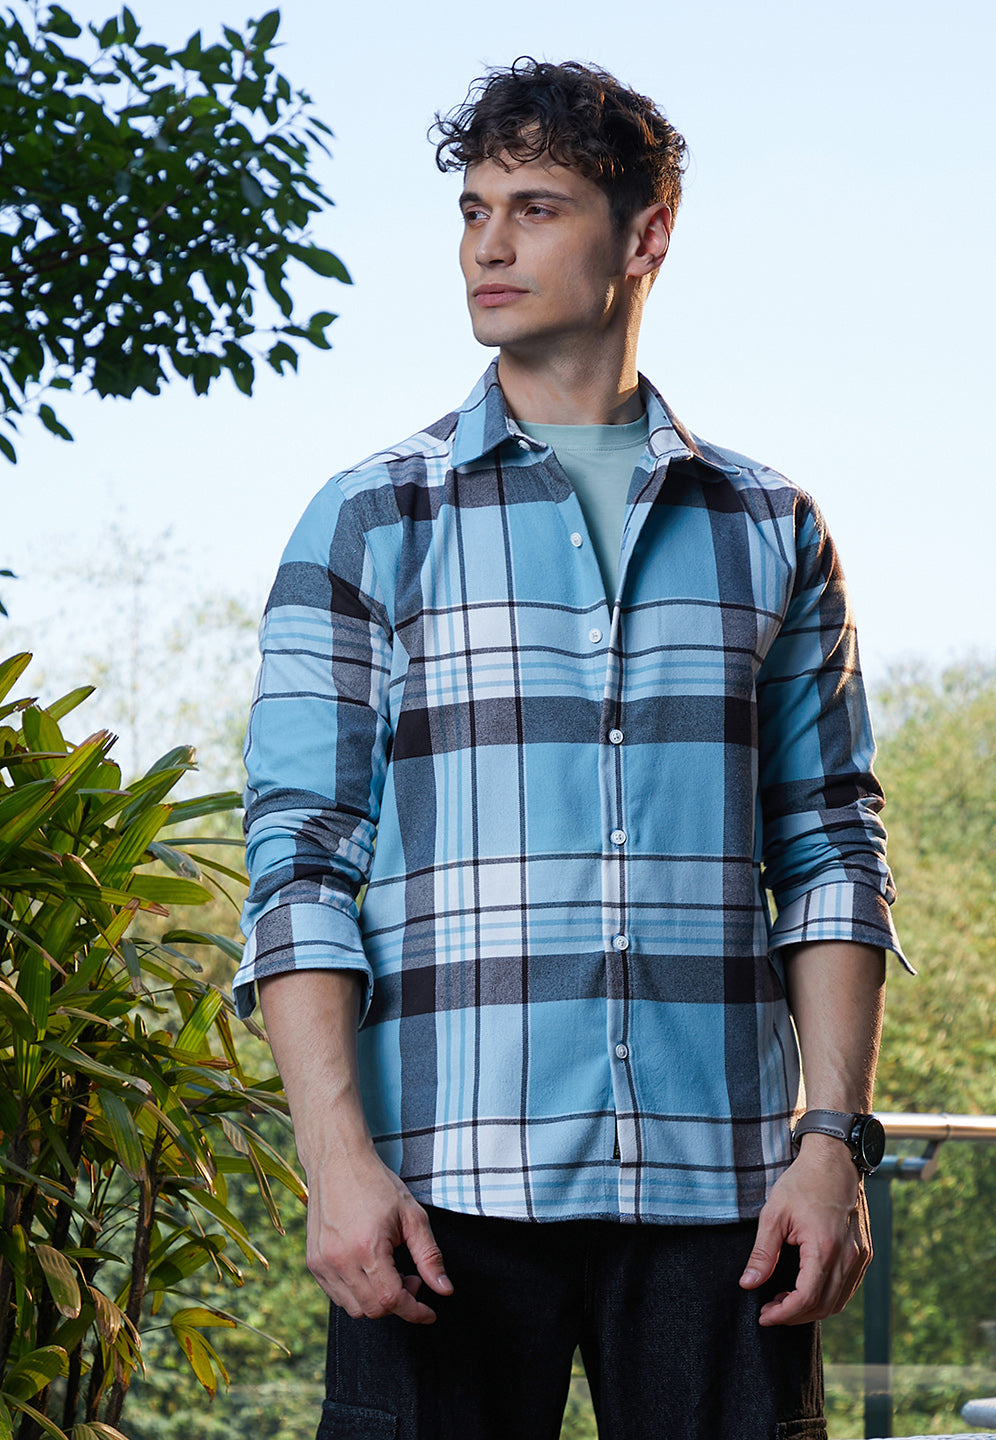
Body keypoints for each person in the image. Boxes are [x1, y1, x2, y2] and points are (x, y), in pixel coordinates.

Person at [234, 57, 909, 1440]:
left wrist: (831, 1144)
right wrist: (335, 1161)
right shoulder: (369, 519)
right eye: (473, 209)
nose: (487, 245)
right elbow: (299, 864)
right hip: (437, 1197)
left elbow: (833, 851)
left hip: (726, 1199)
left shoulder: (769, 528)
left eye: (534, 208)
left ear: (645, 235)